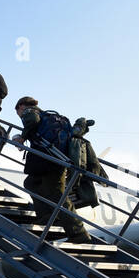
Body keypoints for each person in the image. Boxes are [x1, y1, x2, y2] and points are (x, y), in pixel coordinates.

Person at [11, 96, 91, 243]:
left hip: (49, 160)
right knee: (31, 183)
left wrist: (22, 138)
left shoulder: (30, 112)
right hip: (52, 159)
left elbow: (31, 121)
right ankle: (47, 219)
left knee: (59, 196)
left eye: (18, 113)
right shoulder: (51, 116)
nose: (20, 116)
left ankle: (79, 233)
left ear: (21, 106)